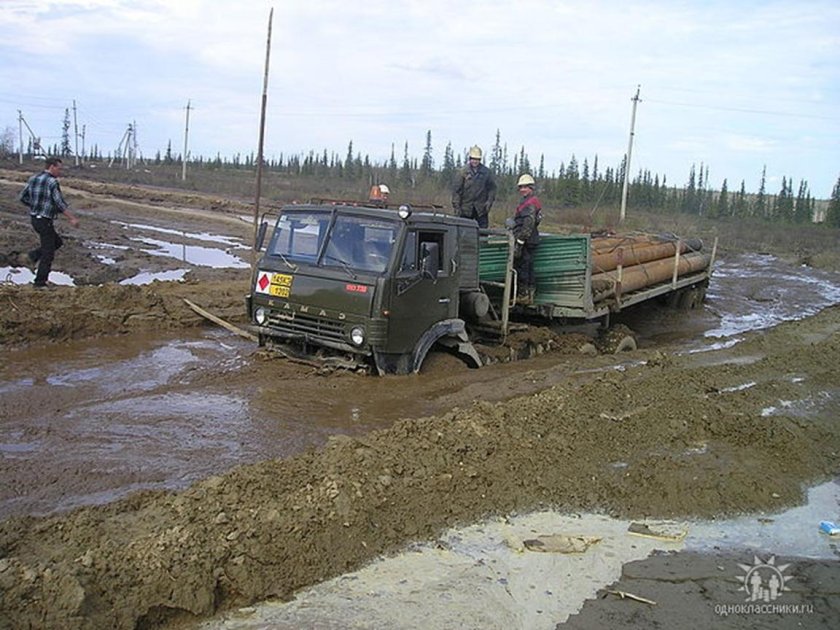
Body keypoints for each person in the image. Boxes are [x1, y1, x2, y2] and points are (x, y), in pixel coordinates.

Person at [18, 157, 80, 287]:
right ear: (52, 167)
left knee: (57, 242)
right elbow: (60, 203)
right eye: (59, 168)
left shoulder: (33, 178)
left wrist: (35, 206)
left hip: (35, 219)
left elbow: (23, 197)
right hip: (44, 221)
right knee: (48, 253)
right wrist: (72, 218)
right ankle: (40, 282)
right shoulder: (52, 182)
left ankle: (32, 256)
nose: (60, 171)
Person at [512, 173, 541, 305]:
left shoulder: (529, 203)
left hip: (527, 240)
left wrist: (520, 241)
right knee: (528, 266)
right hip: (531, 238)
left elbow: (528, 223)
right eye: (521, 187)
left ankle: (524, 295)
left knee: (524, 266)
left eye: (525, 187)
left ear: (531, 188)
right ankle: (529, 295)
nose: (523, 189)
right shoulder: (530, 201)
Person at [451, 145, 496, 228]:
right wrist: (457, 208)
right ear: (470, 159)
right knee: (464, 233)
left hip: (481, 209)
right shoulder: (462, 172)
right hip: (465, 209)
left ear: (480, 160)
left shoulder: (486, 172)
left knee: (483, 233)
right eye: (473, 159)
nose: (475, 161)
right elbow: (456, 191)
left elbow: (492, 189)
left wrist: (489, 202)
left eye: (477, 159)